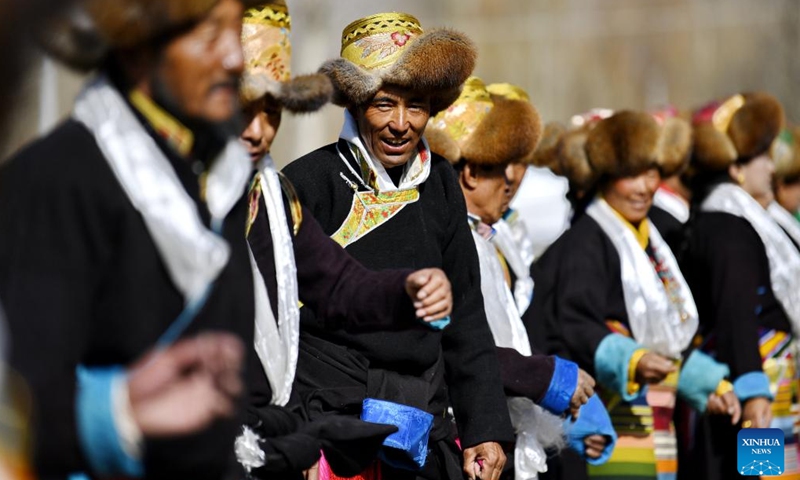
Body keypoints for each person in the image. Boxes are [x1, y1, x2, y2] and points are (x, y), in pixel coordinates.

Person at [0, 0, 281, 477]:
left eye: (236, 31)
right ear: (136, 47)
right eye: (207, 34)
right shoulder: (58, 179)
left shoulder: (222, 178)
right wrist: (115, 412)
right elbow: (20, 405)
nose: (236, 58)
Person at [283, 13, 514, 480]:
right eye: (384, 105)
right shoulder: (308, 182)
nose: (401, 124)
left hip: (422, 425)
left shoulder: (441, 185)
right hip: (330, 427)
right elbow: (282, 324)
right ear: (354, 104)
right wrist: (295, 433)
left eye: (417, 107)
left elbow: (466, 316)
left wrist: (484, 426)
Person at [233, 5, 453, 478]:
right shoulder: (303, 182)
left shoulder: (269, 193)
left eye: (271, 111)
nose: (257, 131)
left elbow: (336, 285)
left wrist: (406, 290)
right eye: (239, 108)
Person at [426, 76, 615, 480]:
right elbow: (458, 346)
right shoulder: (447, 240)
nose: (512, 180)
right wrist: (545, 377)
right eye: (501, 168)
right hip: (459, 438)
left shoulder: (489, 236)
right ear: (471, 173)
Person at [540, 111, 739, 480]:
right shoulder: (586, 242)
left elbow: (662, 334)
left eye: (652, 173)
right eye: (631, 175)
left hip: (658, 419)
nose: (645, 187)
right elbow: (572, 325)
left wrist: (707, 381)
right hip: (612, 419)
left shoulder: (652, 239)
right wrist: (630, 359)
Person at [680, 93, 800, 480]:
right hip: (755, 384)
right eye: (762, 157)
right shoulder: (729, 227)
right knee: (761, 475)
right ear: (736, 168)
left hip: (762, 377)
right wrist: (753, 389)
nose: (771, 168)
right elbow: (736, 313)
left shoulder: (730, 219)